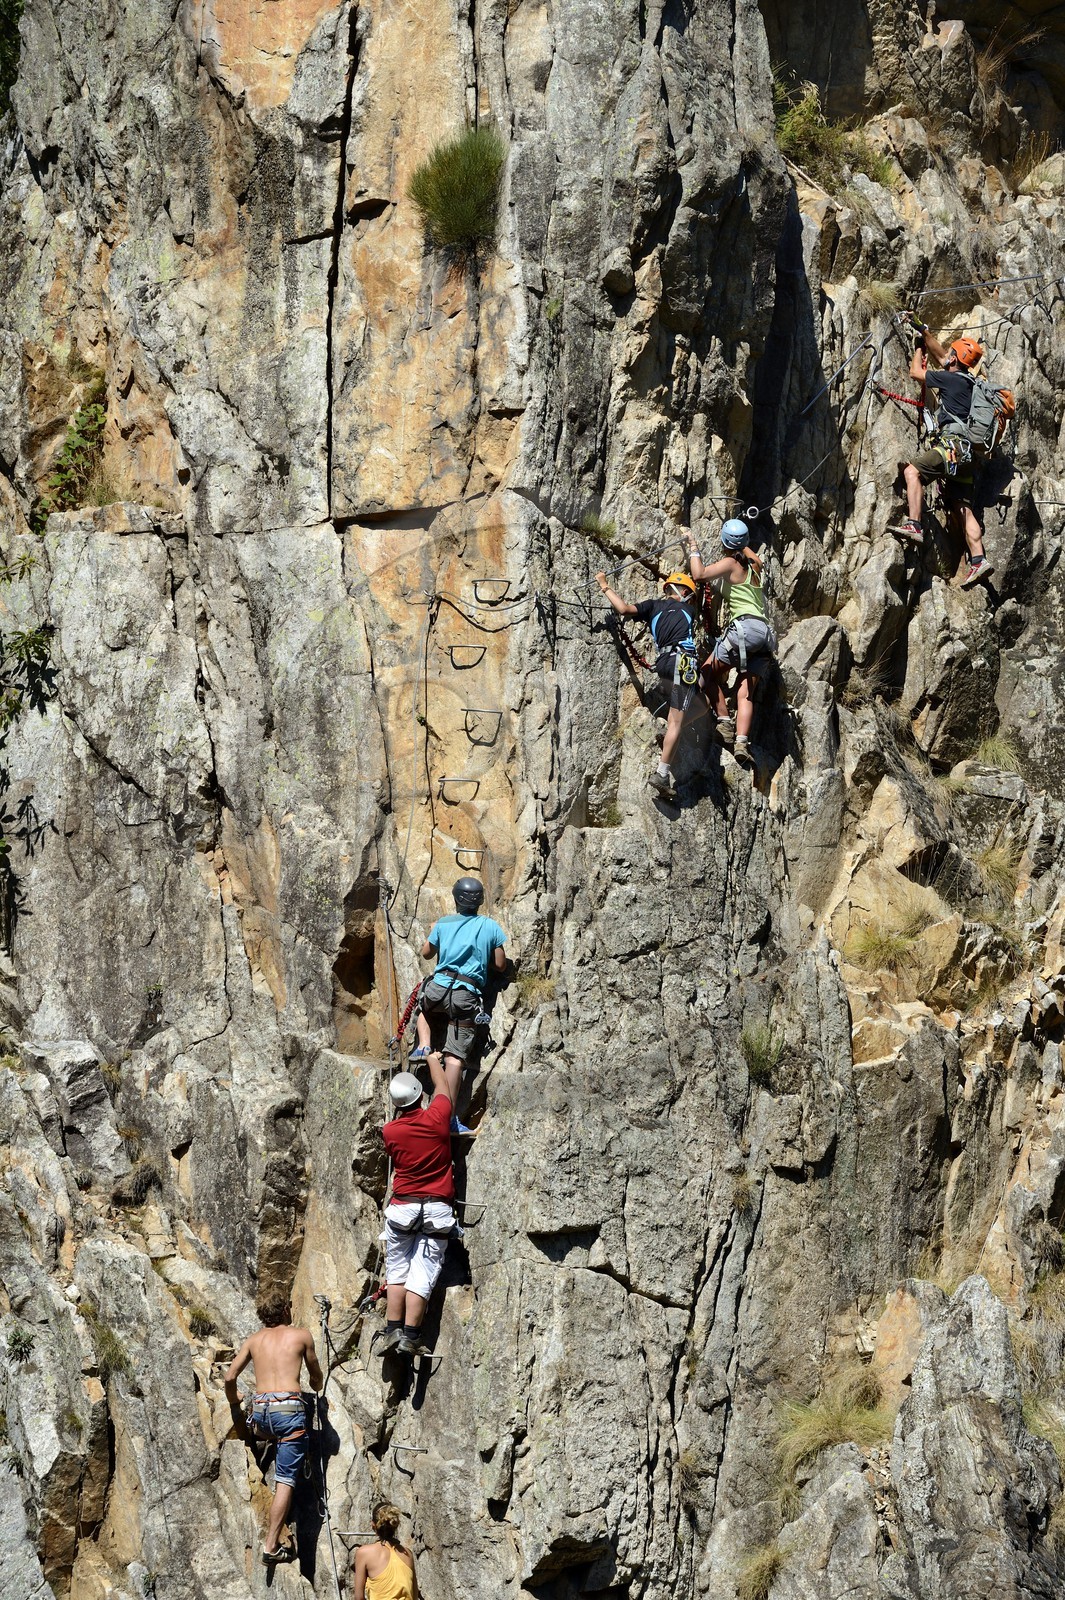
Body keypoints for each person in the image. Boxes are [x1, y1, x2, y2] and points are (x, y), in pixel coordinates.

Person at [892, 324, 994, 588]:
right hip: (969, 456)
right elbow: (943, 357)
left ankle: (914, 525)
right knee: (962, 507)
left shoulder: (949, 379)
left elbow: (916, 372)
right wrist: (925, 334)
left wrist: (917, 347)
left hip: (951, 446)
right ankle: (979, 560)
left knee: (912, 472)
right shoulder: (972, 384)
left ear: (955, 360)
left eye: (951, 354)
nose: (946, 355)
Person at [223, 1296, 323, 1564]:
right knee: (286, 1480)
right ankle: (271, 1546)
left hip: (261, 1415)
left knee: (269, 1432)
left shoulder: (254, 1340)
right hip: (289, 1413)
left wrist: (234, 1401)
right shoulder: (301, 1336)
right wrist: (316, 1383)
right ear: (287, 1310)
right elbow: (316, 1376)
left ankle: (260, 1441)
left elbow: (230, 1376)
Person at [596, 566, 704, 799]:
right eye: (690, 593)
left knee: (701, 705)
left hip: (665, 663)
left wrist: (604, 585)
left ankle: (670, 733)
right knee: (678, 719)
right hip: (682, 663)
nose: (691, 598)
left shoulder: (652, 606)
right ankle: (662, 774)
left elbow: (623, 608)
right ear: (682, 590)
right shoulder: (687, 609)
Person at [380, 1056, 456, 1357]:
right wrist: (432, 1059)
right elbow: (444, 1088)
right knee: (423, 1271)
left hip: (403, 1209)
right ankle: (411, 1336)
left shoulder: (390, 1131)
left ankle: (392, 1330)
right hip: (436, 1209)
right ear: (418, 1095)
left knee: (397, 1269)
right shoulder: (437, 1117)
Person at [688, 520, 775, 767]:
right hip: (765, 635)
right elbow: (753, 554)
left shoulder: (730, 563)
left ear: (724, 542)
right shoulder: (755, 565)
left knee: (706, 673)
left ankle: (724, 723)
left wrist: (694, 545)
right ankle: (741, 743)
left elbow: (699, 574)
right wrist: (743, 542)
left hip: (744, 630)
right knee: (746, 693)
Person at [410, 877, 507, 1099]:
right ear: (480, 900)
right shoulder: (490, 926)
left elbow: (426, 953)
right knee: (454, 1058)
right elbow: (500, 965)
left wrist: (434, 931)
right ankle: (448, 1116)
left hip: (438, 989)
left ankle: (424, 1045)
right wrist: (483, 955)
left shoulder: (443, 923)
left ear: (456, 899)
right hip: (466, 996)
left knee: (423, 1004)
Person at [352, 1503, 418, 1600]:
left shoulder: (364, 1553)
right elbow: (414, 1595)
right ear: (395, 1524)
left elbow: (359, 1597)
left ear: (373, 1525)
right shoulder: (407, 1554)